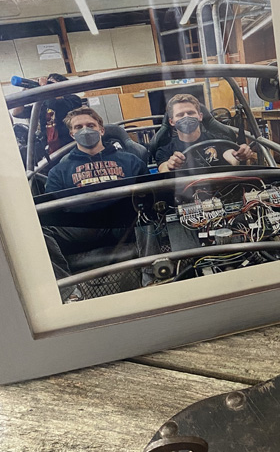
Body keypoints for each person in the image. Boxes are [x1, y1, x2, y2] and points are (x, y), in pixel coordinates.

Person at [43, 107, 149, 301]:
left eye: (90, 125)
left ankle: (152, 278)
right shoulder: (59, 171)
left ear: (101, 130)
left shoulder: (130, 160)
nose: (85, 130)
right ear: (72, 134)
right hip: (83, 227)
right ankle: (69, 293)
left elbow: (149, 195)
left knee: (149, 214)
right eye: (79, 127)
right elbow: (53, 211)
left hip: (126, 223)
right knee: (40, 232)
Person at [155, 94, 255, 173]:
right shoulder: (165, 149)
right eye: (180, 115)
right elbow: (163, 169)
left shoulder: (219, 140)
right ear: (171, 121)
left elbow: (232, 157)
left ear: (200, 116)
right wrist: (170, 165)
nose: (186, 117)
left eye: (190, 113)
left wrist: (239, 156)